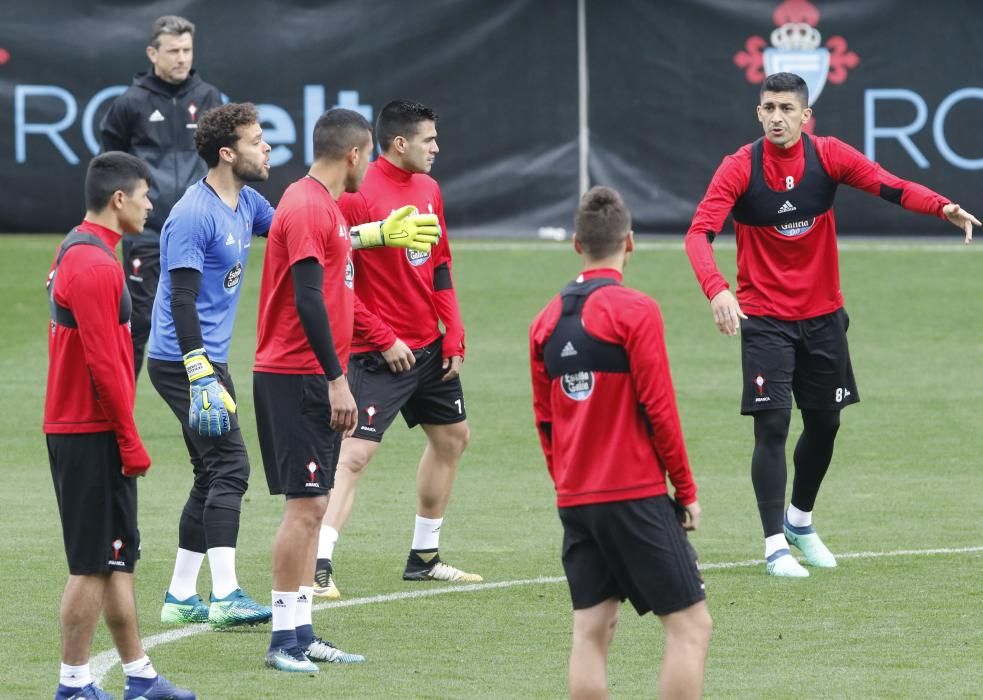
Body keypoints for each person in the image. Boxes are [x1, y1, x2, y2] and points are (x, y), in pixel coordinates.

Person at [685, 72, 981, 577]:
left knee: (825, 422)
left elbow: (890, 185)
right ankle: (774, 544)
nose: (777, 117)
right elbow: (698, 233)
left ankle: (800, 520)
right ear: (758, 113)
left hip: (823, 316)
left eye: (786, 108)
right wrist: (717, 289)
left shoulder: (828, 155)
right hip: (765, 319)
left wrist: (942, 206)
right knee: (773, 424)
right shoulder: (740, 167)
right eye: (769, 108)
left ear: (806, 116)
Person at [254, 107, 440, 672]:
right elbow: (309, 297)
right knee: (304, 508)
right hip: (297, 375)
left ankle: (301, 629)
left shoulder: (322, 206)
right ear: (355, 154)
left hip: (310, 373)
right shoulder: (310, 206)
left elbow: (333, 289)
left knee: (312, 506)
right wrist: (338, 379)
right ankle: (281, 639)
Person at [529, 186, 712, 699]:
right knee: (690, 627)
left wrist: (567, 484)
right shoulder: (635, 311)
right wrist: (686, 489)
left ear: (575, 244)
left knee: (591, 631)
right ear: (629, 243)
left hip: (576, 499)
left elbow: (546, 424)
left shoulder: (544, 322)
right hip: (633, 494)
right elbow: (660, 410)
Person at [313, 100, 479, 600]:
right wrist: (384, 338)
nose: (437, 148)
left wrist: (453, 331)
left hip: (428, 346)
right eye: (428, 140)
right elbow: (337, 283)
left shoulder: (429, 189)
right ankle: (318, 564)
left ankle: (424, 557)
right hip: (376, 351)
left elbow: (441, 263)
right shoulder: (357, 193)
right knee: (355, 455)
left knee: (452, 438)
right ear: (399, 143)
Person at [45, 152, 195, 700]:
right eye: (145, 194)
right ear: (118, 200)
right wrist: (131, 443)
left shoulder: (81, 249)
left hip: (86, 427)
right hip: (90, 432)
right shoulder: (96, 267)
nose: (151, 203)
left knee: (116, 558)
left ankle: (139, 675)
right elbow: (106, 368)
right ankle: (73, 684)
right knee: (91, 564)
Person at [146, 103, 273, 627]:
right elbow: (181, 298)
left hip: (205, 360)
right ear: (228, 153)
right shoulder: (194, 214)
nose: (266, 148)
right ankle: (226, 595)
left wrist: (369, 236)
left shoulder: (246, 200)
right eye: (256, 140)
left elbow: (298, 233)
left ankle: (180, 598)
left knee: (209, 472)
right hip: (183, 361)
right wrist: (199, 370)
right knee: (231, 467)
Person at [100, 14, 223, 379]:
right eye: (173, 51)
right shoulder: (129, 104)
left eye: (187, 50)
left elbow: (222, 161)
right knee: (139, 323)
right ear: (153, 53)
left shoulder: (208, 97)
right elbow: (110, 167)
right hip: (147, 234)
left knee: (200, 322)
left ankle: (206, 407)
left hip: (199, 232)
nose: (181, 58)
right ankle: (118, 416)